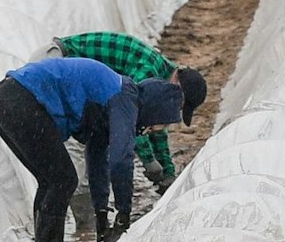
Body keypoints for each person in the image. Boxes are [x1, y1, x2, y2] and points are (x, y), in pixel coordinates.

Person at [0, 58, 184, 242]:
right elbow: (121, 159)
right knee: (62, 180)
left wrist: (101, 211)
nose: (153, 130)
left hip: (5, 99)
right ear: (155, 110)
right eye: (159, 124)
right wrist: (123, 212)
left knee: (52, 180)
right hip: (20, 100)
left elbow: (97, 156)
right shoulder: (125, 99)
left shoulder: (112, 100)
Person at [51, 32, 206, 194]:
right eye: (179, 105)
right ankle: (77, 215)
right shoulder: (148, 71)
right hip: (58, 63)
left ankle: (92, 214)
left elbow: (155, 126)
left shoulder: (162, 80)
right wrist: (149, 161)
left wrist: (168, 171)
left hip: (72, 76)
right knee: (76, 157)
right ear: (178, 85)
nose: (174, 109)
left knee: (89, 152)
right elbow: (131, 118)